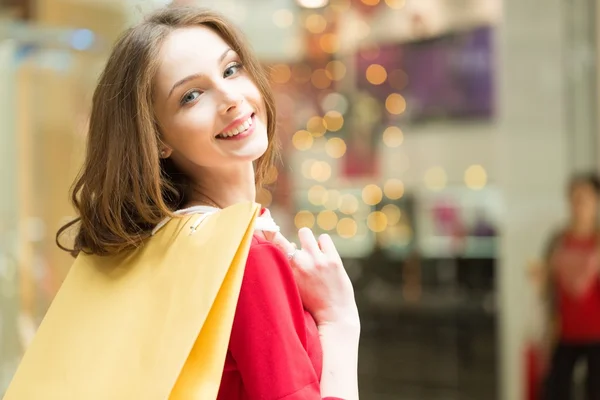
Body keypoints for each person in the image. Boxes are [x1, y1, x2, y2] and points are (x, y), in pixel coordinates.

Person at [56, 6, 360, 400]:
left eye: (231, 69)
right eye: (191, 95)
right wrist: (339, 322)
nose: (231, 97)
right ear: (156, 138)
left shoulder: (154, 248)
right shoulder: (245, 257)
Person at [542, 173, 600, 400]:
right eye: (574, 198)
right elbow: (548, 286)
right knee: (556, 390)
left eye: (584, 198)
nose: (579, 205)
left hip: (597, 332)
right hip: (564, 332)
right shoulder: (558, 240)